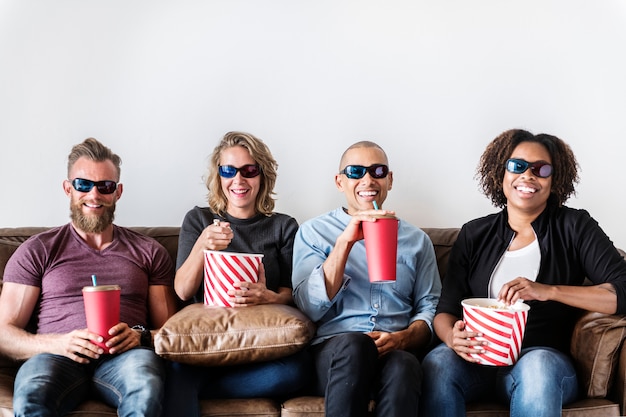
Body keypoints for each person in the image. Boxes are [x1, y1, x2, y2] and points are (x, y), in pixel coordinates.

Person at [420, 129, 626, 417]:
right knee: (438, 363)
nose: (528, 176)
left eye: (541, 169)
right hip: (477, 360)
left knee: (538, 367)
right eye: (517, 166)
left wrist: (547, 290)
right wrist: (452, 338)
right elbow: (445, 310)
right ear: (500, 173)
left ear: (554, 180)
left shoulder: (575, 227)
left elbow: (622, 291)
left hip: (543, 359)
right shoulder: (474, 234)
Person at [0, 138, 178, 417]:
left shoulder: (148, 251)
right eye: (83, 185)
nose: (94, 195)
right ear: (68, 188)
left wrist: (140, 338)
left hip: (125, 358)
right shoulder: (38, 249)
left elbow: (171, 333)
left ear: (117, 192)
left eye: (104, 187)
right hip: (56, 357)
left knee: (145, 382)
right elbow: (3, 333)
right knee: (32, 392)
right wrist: (58, 343)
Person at [163, 131, 311, 417]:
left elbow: (295, 295)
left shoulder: (283, 227)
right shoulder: (200, 219)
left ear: (262, 176)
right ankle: (194, 384)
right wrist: (202, 245)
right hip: (205, 346)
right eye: (229, 170)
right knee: (177, 369)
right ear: (218, 176)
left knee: (299, 370)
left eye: (249, 170)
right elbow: (182, 291)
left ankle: (203, 388)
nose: (239, 180)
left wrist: (269, 297)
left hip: (263, 346)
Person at [292, 140, 441, 417]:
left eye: (378, 171)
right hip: (335, 353)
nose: (368, 179)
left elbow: (429, 308)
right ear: (339, 182)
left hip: (394, 350)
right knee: (356, 345)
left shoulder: (417, 241)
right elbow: (308, 307)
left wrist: (404, 338)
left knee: (405, 365)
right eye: (355, 172)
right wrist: (345, 243)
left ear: (390, 180)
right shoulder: (314, 232)